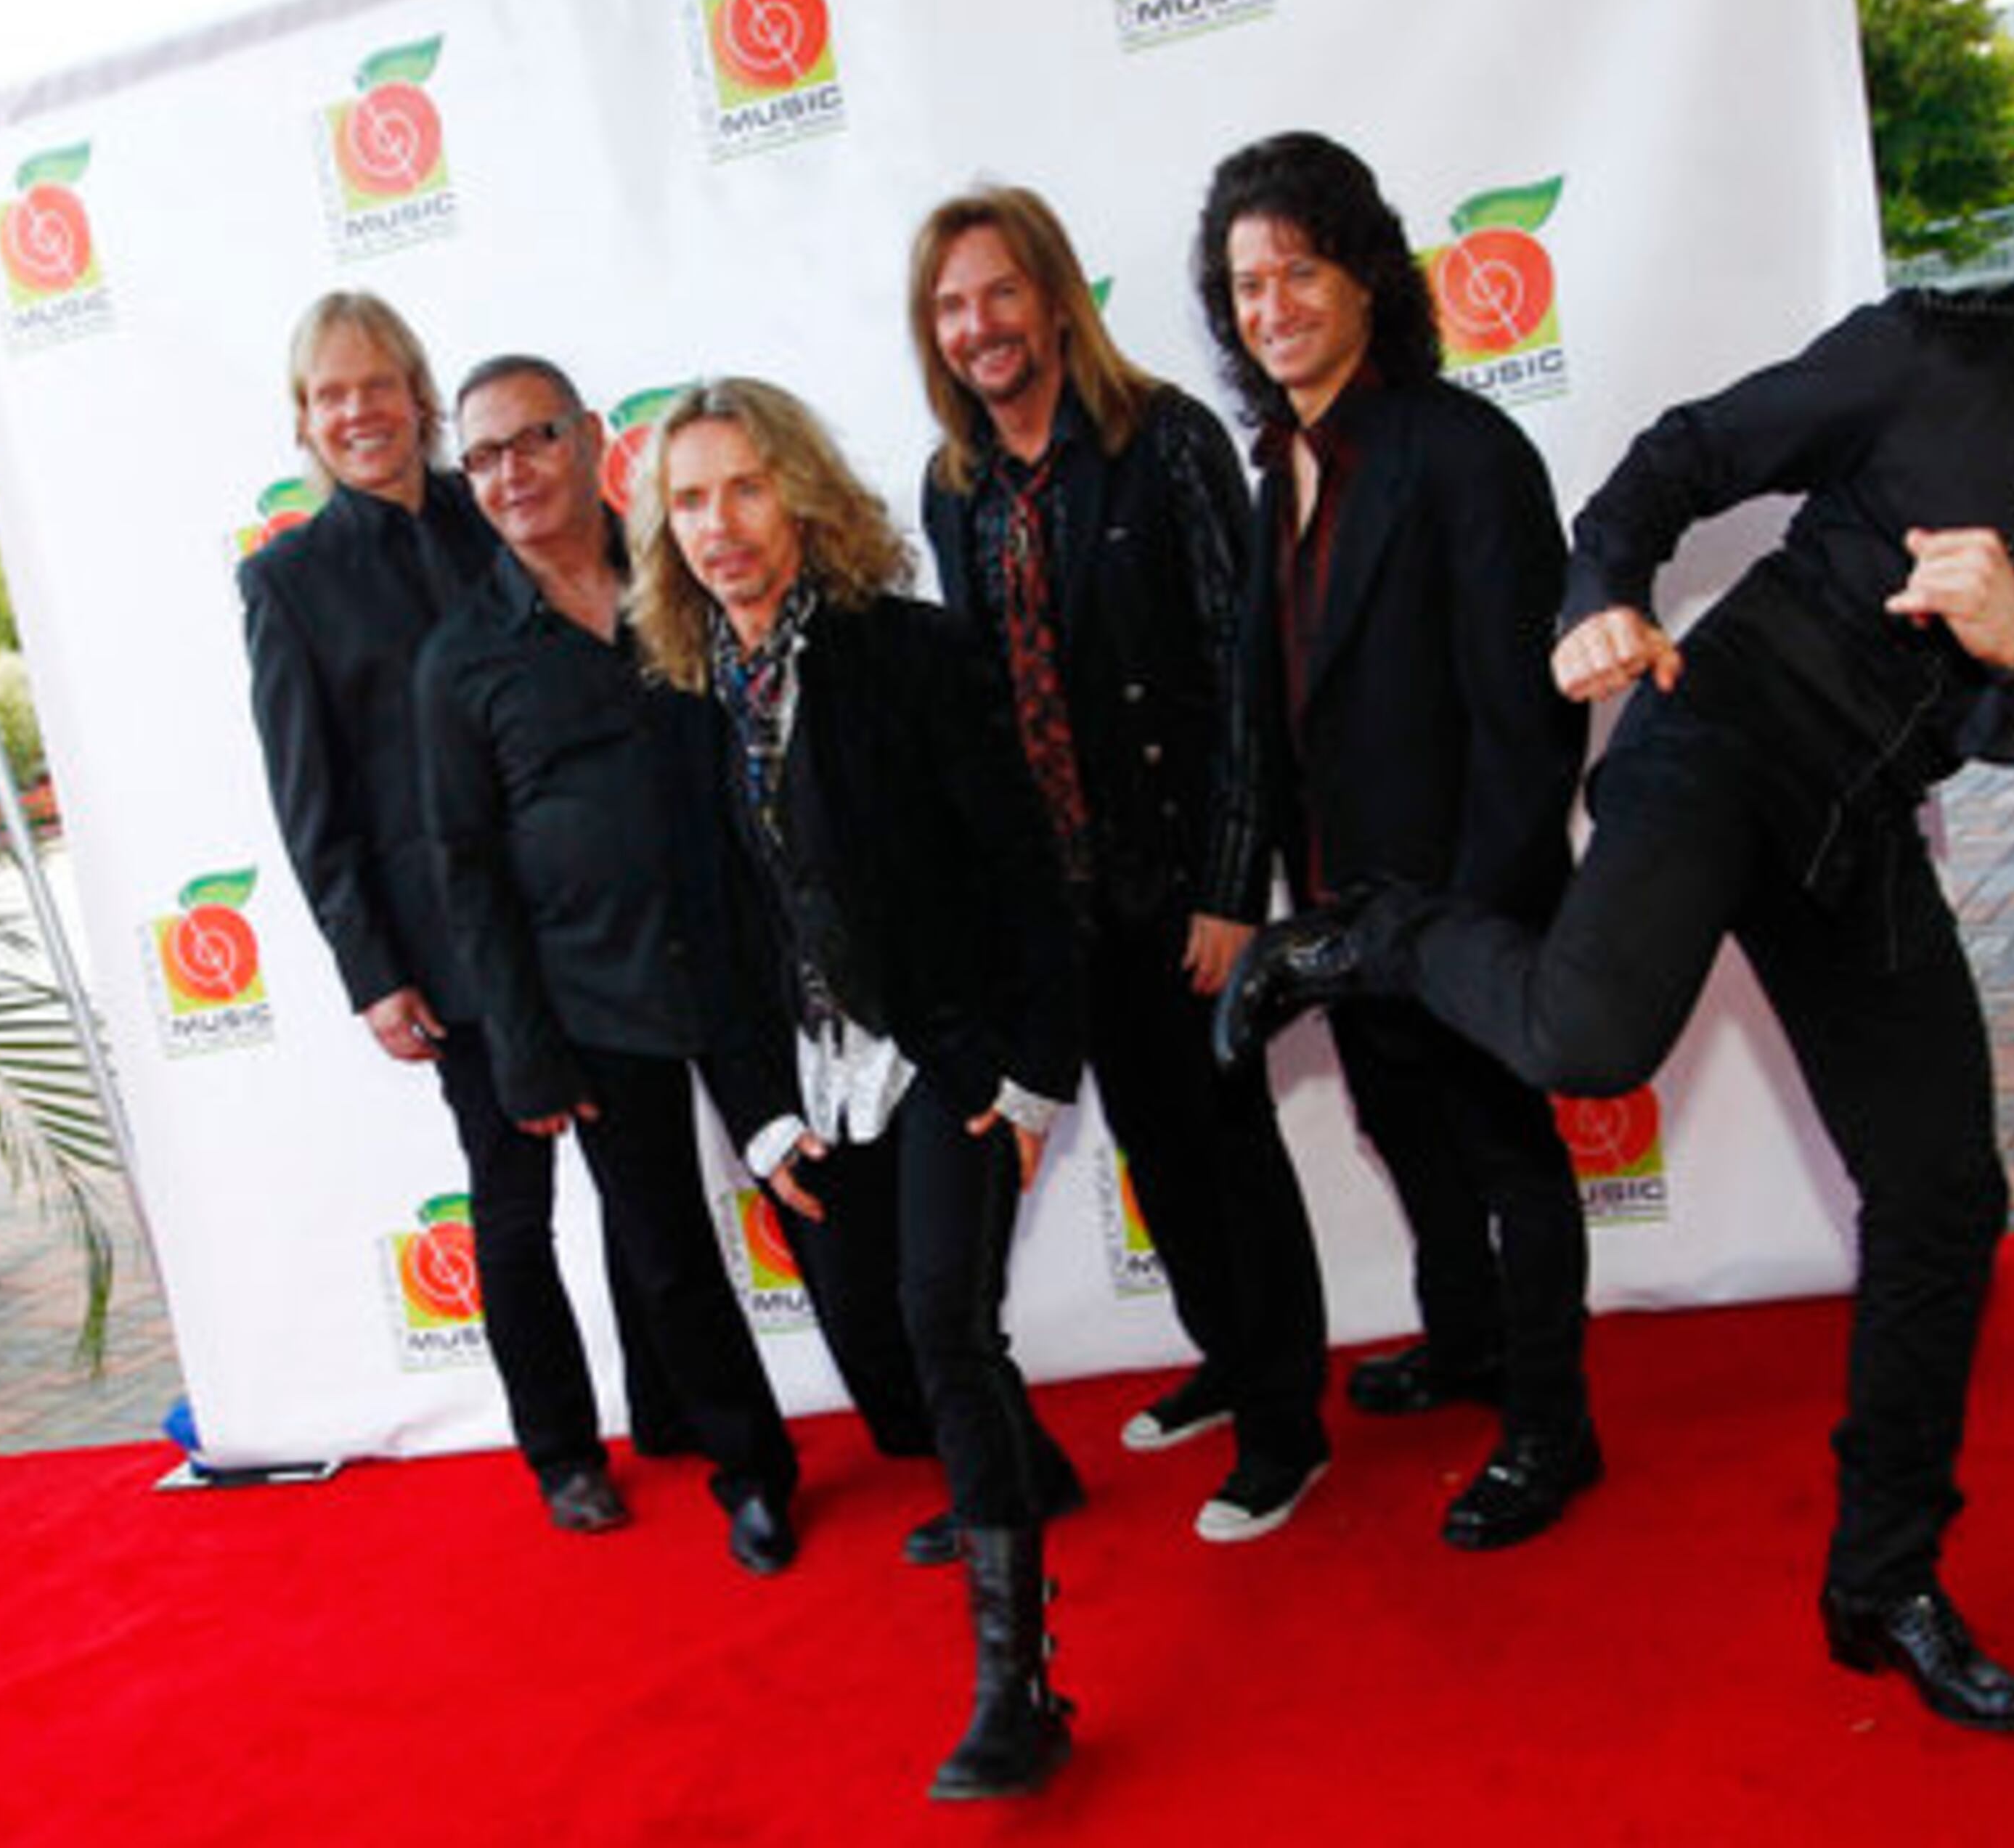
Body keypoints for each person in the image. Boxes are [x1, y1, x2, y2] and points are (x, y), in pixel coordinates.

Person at [1218, 25, 2014, 1730]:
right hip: (1720, 733)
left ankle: (1885, 1578)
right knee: (1587, 1035)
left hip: (1859, 817)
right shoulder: (1948, 349)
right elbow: (1683, 456)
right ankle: (1371, 933)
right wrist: (1596, 594)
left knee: (1947, 1193)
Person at [627, 377, 1080, 1800]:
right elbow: (706, 935)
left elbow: (1028, 871)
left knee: (947, 1325)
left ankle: (1019, 1690)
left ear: (804, 497)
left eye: (746, 488)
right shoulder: (680, 701)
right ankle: (1022, 1464)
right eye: (690, 500)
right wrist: (758, 1115)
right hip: (811, 1081)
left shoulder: (914, 656)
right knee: (885, 1348)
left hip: (945, 1054)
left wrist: (1028, 1083)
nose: (720, 525)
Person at [1193, 133, 1601, 1551]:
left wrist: (1478, 925)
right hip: (1340, 904)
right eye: (1249, 282)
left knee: (1505, 1153)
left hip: (1464, 900)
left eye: (1301, 267)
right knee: (1405, 1132)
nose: (1275, 303)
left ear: (1368, 275)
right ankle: (1469, 1342)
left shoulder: (1463, 450)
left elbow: (1530, 721)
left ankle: (1554, 1423)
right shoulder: (1276, 474)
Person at [910, 185, 1332, 1544]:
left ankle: (1288, 1426)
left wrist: (1228, 884)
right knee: (1156, 1144)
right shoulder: (954, 483)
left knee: (1230, 1144)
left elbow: (1238, 674)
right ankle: (1231, 1352)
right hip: (1059, 901)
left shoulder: (1164, 439)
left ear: (1053, 296)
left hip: (1175, 880)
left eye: (1000, 293)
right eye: (951, 305)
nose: (979, 326)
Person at [240, 292, 685, 1535]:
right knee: (512, 1200)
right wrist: (370, 969)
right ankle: (561, 1452)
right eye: (333, 394)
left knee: (642, 1176)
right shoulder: (288, 582)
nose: (360, 411)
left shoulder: (504, 507)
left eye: (379, 384)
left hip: (589, 921)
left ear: (421, 398)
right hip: (453, 950)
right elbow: (308, 798)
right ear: (306, 422)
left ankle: (672, 1405)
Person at [411, 353, 826, 1574]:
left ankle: (921, 1413)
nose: (510, 473)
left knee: (824, 1200)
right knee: (664, 1252)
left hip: (750, 967)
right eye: (481, 457)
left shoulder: (684, 579)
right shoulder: (459, 660)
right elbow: (466, 869)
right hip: (592, 1001)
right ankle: (754, 1472)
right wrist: (524, 1046)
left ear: (592, 439)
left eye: (532, 439)